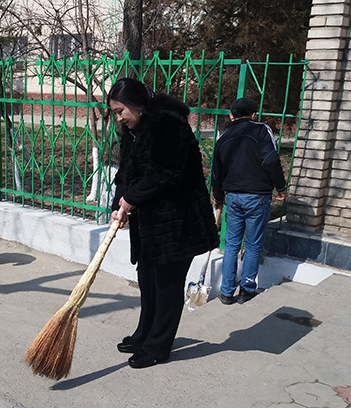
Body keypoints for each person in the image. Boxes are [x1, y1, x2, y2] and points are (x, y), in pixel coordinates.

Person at [109, 78, 219, 369]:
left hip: (177, 222)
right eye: (115, 113)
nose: (119, 118)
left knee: (167, 286)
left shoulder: (170, 125)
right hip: (150, 224)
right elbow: (126, 172)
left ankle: (158, 346)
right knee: (148, 282)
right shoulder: (132, 130)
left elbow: (167, 172)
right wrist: (118, 203)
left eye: (121, 111)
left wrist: (130, 199)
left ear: (138, 105)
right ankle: (144, 334)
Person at [211, 98, 288, 305]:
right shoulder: (262, 130)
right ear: (254, 114)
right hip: (257, 196)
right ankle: (246, 290)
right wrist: (280, 187)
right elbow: (270, 159)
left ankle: (226, 292)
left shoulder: (223, 138)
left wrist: (218, 197)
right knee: (253, 244)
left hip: (233, 197)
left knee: (232, 245)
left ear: (231, 116)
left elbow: (216, 173)